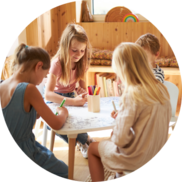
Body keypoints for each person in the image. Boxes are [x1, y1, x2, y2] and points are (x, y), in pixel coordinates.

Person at [88, 42, 172, 182]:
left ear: (123, 70)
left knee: (92, 148)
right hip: (156, 151)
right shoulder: (161, 89)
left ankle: (117, 173)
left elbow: (120, 139)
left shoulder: (132, 94)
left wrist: (117, 130)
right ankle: (119, 175)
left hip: (137, 159)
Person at [0, 44, 69, 180]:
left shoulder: (3, 84)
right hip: (26, 149)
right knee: (67, 172)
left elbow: (13, 115)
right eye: (44, 75)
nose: (41, 82)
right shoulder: (29, 89)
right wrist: (63, 112)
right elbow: (56, 124)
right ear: (38, 66)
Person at [44, 23, 95, 159]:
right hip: (54, 99)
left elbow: (83, 88)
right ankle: (83, 141)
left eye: (82, 51)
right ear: (65, 46)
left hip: (71, 97)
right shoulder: (57, 63)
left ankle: (83, 140)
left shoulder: (81, 63)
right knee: (56, 122)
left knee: (79, 118)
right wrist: (73, 101)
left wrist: (83, 93)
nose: (79, 54)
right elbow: (48, 94)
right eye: (74, 50)